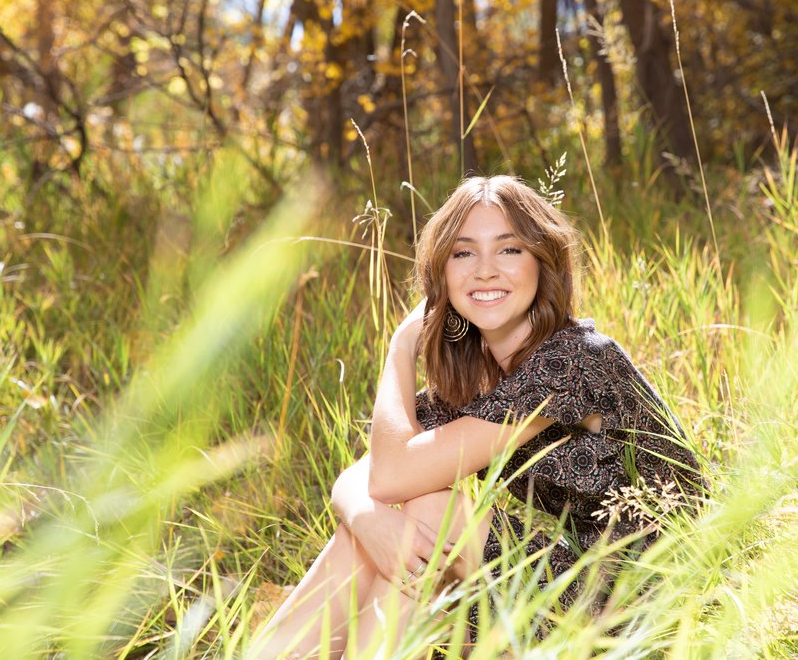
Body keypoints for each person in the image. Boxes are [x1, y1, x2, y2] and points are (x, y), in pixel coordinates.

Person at [249, 175, 703, 659]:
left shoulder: (574, 361)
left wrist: (400, 346)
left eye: (509, 250)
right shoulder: (483, 378)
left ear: (542, 263)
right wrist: (368, 522)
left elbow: (391, 475)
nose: (485, 271)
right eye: (463, 254)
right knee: (388, 536)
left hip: (643, 609)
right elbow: (364, 476)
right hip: (565, 592)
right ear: (442, 273)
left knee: (429, 516)